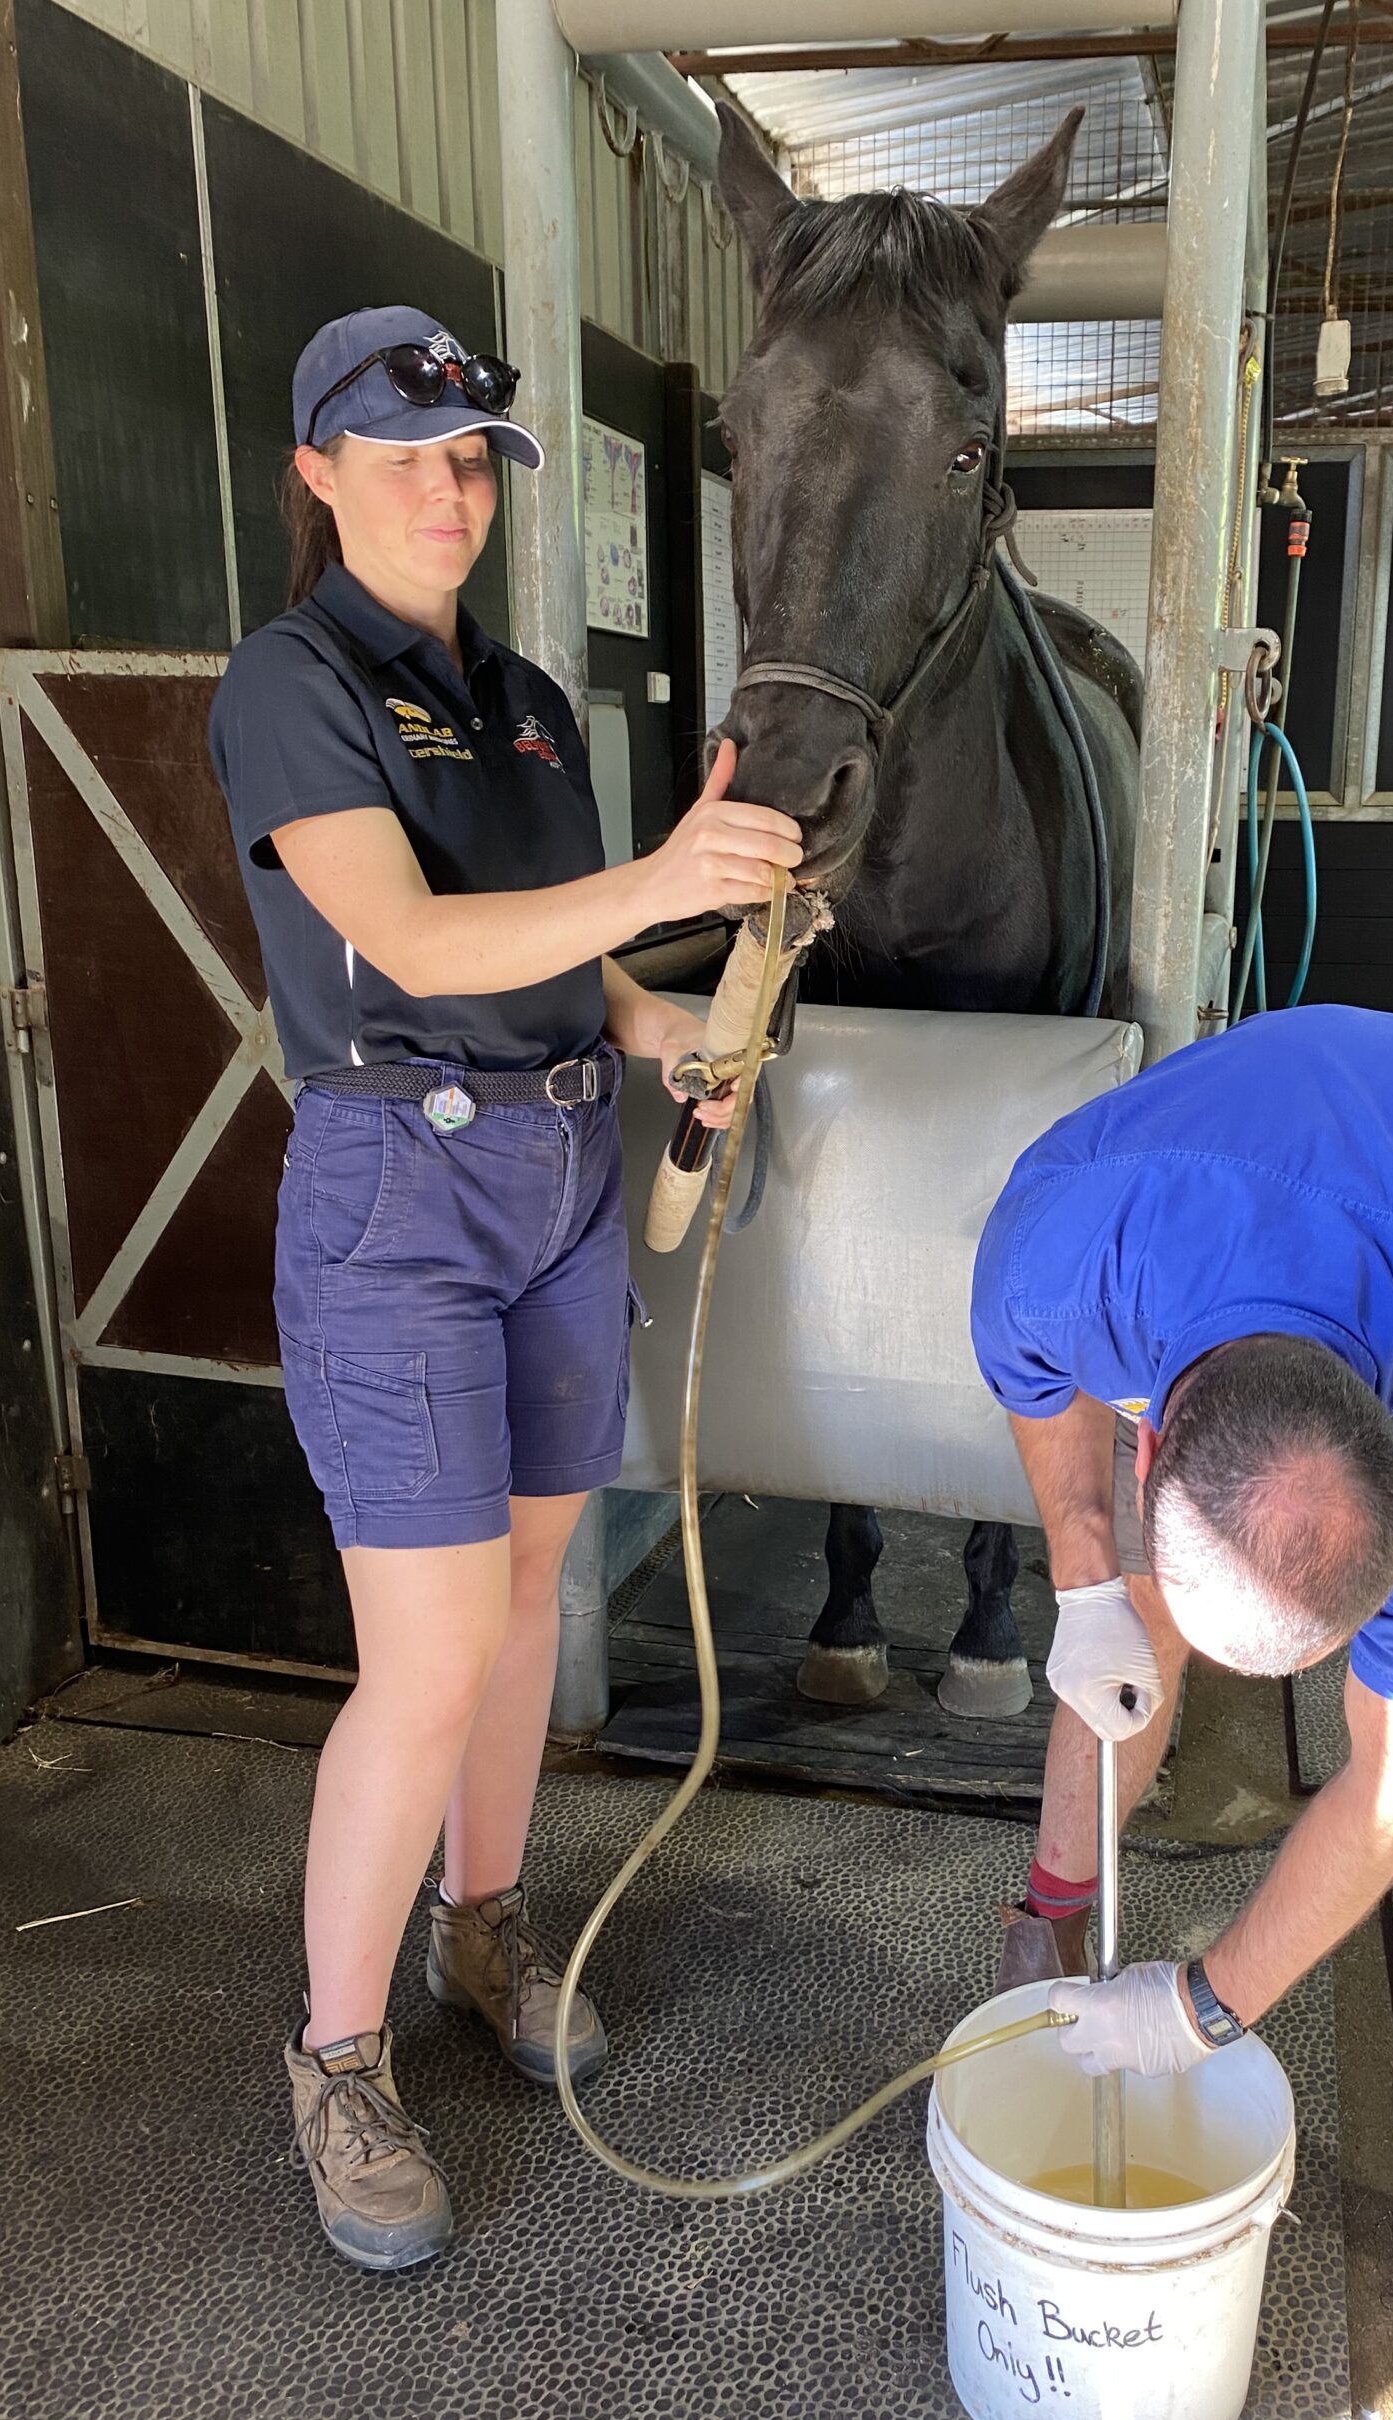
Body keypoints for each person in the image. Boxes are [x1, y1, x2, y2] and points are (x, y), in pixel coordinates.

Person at [209, 306, 803, 2271]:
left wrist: (656, 1029)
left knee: (534, 1596)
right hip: (400, 1188)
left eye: (472, 459)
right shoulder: (295, 685)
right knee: (430, 1646)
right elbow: (398, 933)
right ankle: (337, 2049)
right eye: (405, 457)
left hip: (558, 1166)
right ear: (317, 470)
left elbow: (557, 970)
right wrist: (659, 881)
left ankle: (484, 1921)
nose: (449, 491)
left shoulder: (533, 699)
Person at [969, 1006, 1393, 2387]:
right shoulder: (1059, 1255)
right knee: (1139, 1618)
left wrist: (1206, 2004)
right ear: (1153, 1452)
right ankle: (1052, 1919)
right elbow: (1039, 1398)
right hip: (1229, 1192)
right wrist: (1091, 1584)